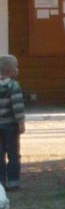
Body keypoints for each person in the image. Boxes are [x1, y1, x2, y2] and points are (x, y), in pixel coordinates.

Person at [0, 52, 26, 195]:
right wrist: (21, 122)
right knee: (13, 154)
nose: (18, 69)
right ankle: (14, 181)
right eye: (16, 67)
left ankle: (1, 182)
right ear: (10, 71)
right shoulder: (13, 86)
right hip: (10, 126)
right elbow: (17, 106)